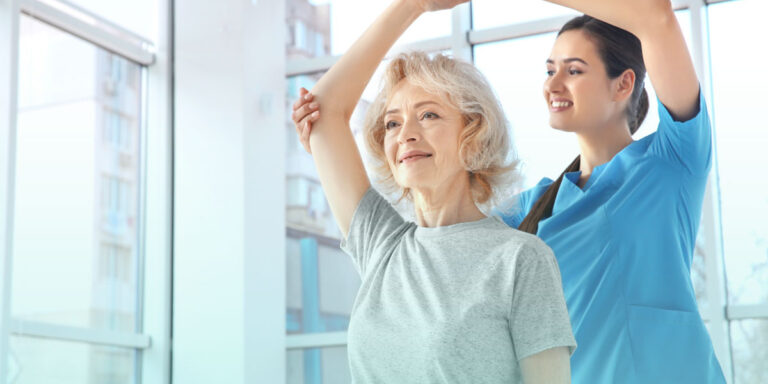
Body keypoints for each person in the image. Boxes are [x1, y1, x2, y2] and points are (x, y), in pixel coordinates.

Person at [293, 0, 726, 382]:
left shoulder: (672, 162)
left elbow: (654, 16)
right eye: (549, 70)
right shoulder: (527, 212)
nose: (552, 85)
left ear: (624, 84)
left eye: (574, 70)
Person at [291, 0, 576, 382]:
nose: (406, 134)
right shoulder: (381, 244)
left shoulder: (520, 259)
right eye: (392, 123)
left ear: (473, 133)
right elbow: (322, 111)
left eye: (428, 115)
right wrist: (412, 6)